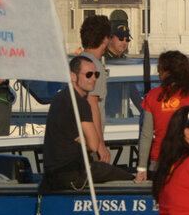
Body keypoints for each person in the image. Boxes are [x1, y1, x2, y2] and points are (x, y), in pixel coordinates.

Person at [42, 56, 133, 191]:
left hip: (53, 174)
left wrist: (84, 141)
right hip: (74, 173)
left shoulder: (59, 97)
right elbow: (94, 145)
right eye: (88, 74)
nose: (94, 79)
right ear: (73, 76)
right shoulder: (80, 102)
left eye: (96, 74)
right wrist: (87, 142)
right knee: (128, 178)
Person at [135, 50, 189, 182]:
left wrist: (141, 168)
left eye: (159, 69)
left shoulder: (152, 96)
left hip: (158, 163)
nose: (158, 73)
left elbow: (145, 134)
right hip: (188, 162)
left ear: (167, 72)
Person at [79, 15, 113, 165]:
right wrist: (100, 145)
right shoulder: (95, 67)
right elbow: (93, 105)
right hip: (89, 141)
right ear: (105, 39)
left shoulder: (77, 62)